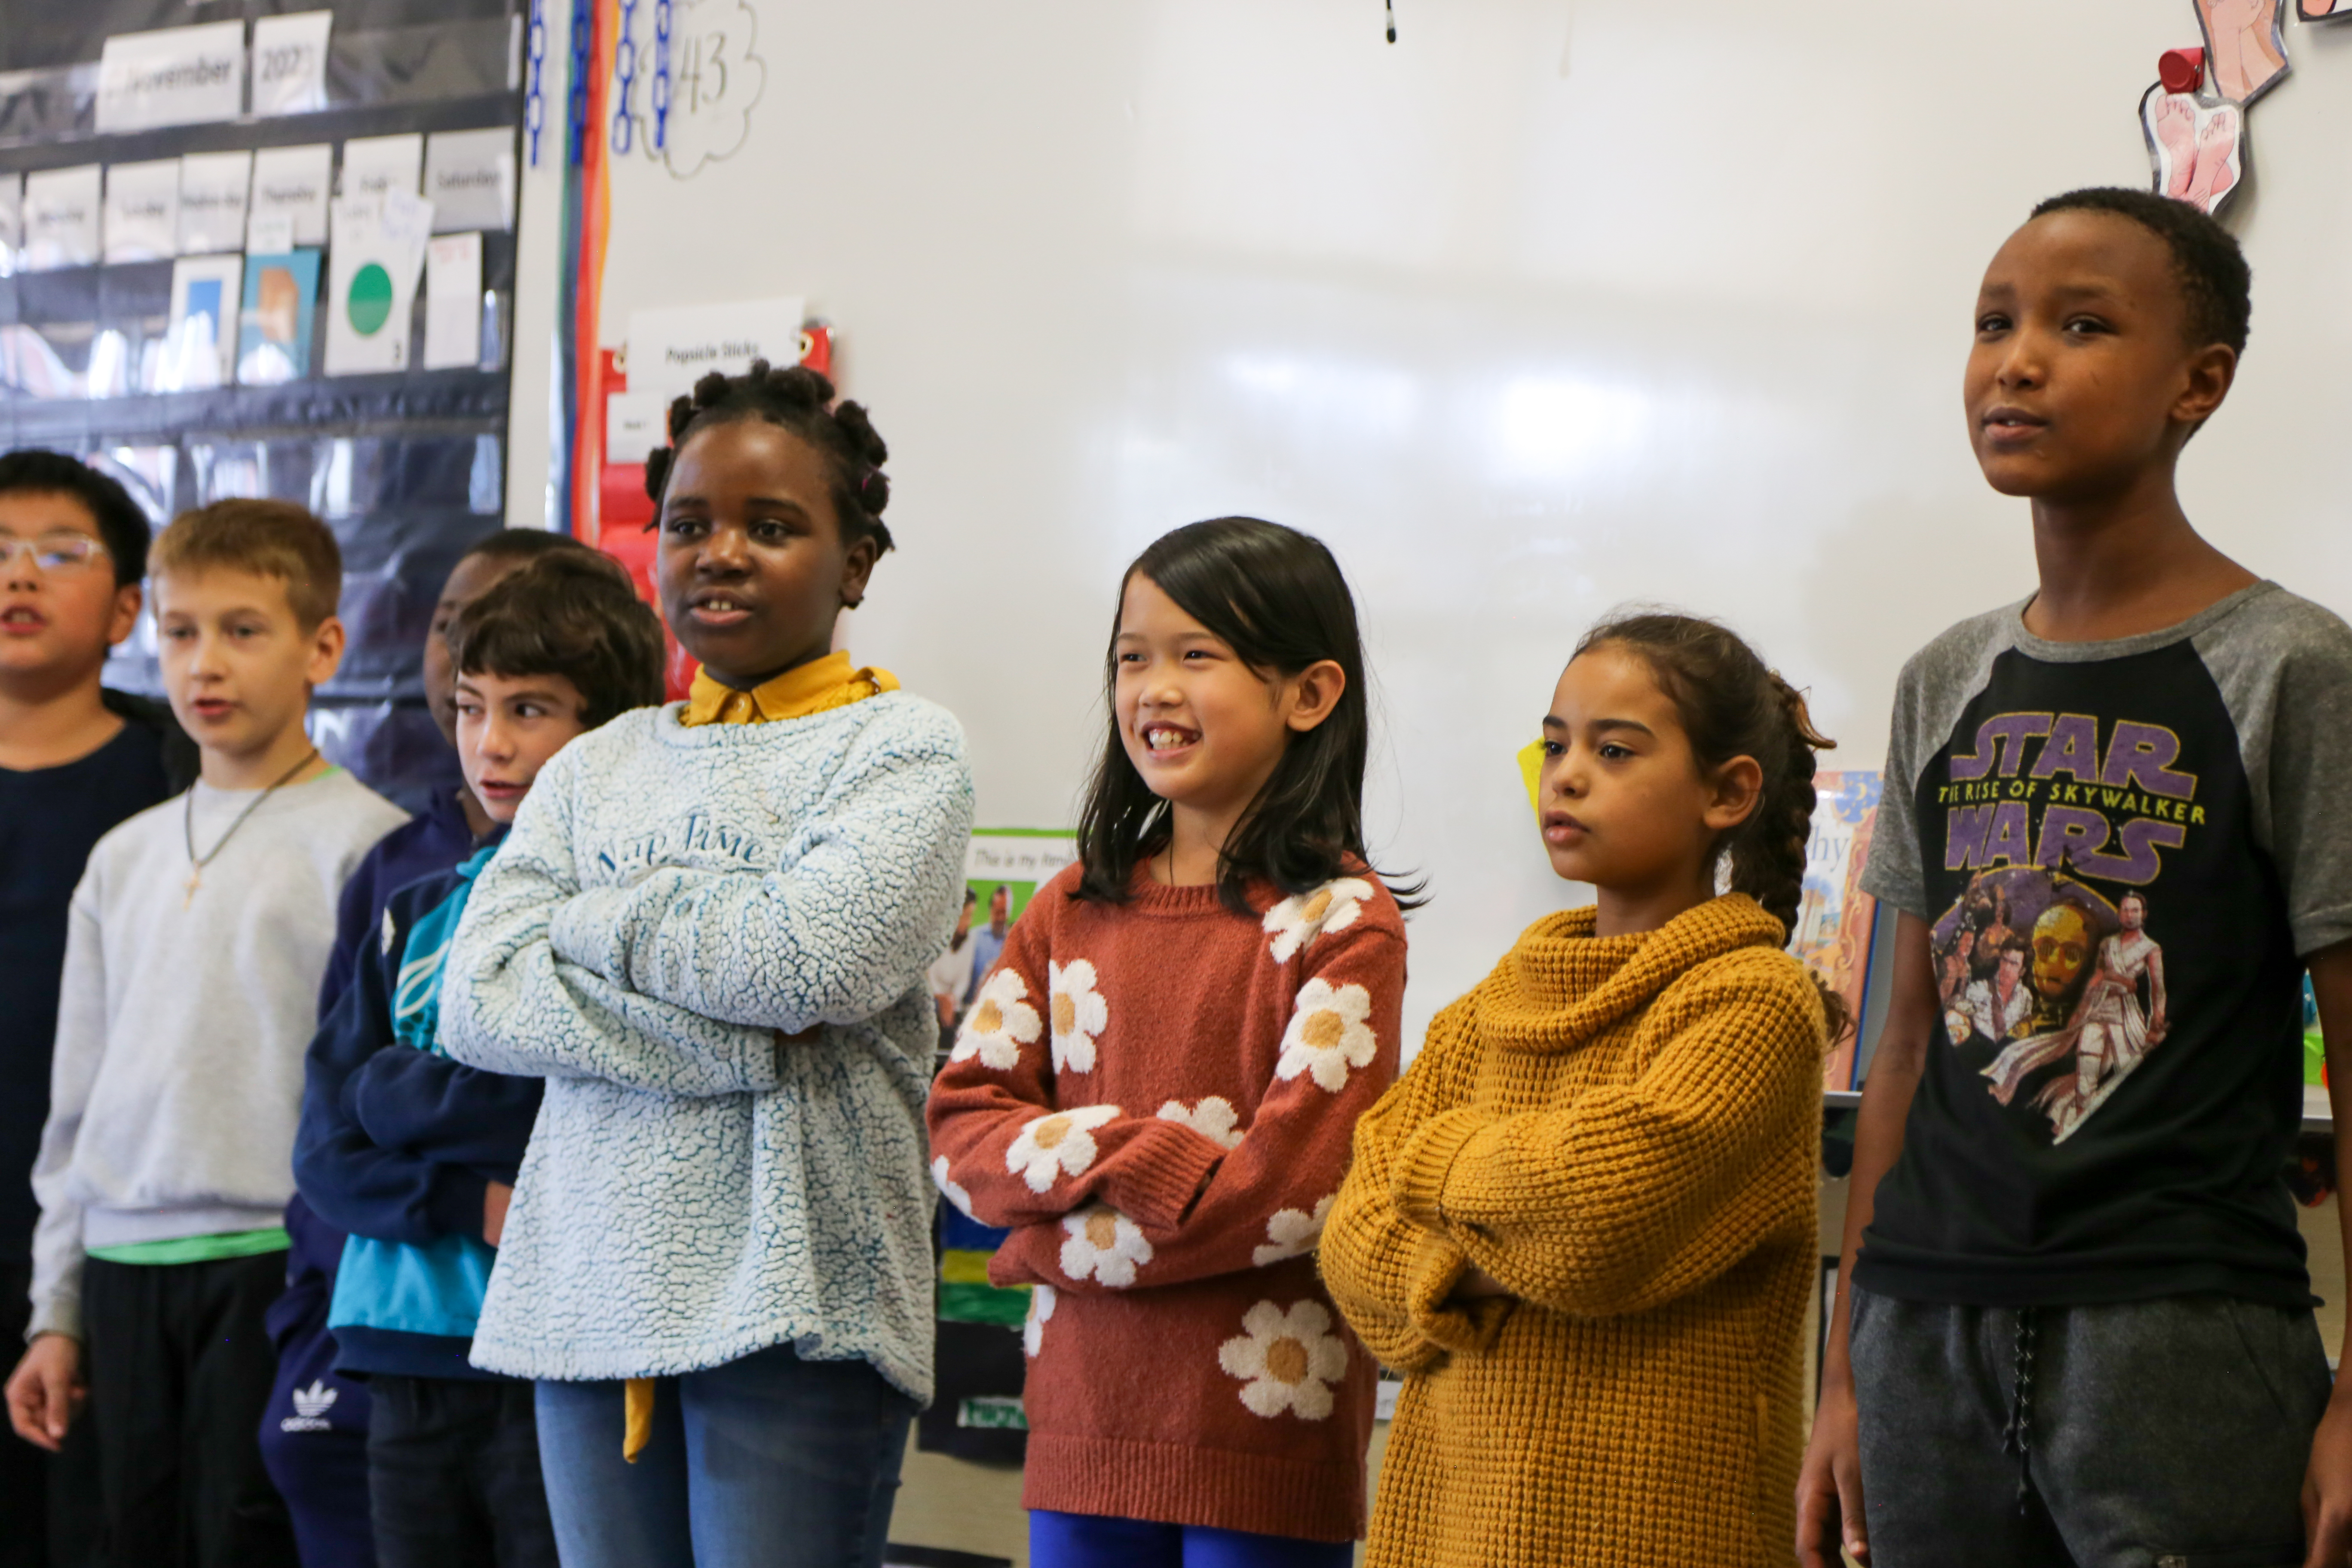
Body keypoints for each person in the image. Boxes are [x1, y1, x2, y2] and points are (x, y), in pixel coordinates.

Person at [1798, 188, 2352, 1568]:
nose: (2017, 359)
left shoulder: (2291, 669)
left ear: (2198, 383)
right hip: (1926, 1328)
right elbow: (1912, 1038)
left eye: (2081, 325)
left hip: (2179, 1336)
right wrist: (1850, 1371)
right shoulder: (1947, 676)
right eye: (1994, 323)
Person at [438, 361, 974, 1568]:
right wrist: (726, 1036)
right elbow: (478, 996)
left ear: (856, 566)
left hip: (798, 1304)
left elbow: (806, 968)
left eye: (771, 527)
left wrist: (592, 918)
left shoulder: (904, 749)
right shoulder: (595, 763)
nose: (720, 553)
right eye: (689, 526)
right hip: (585, 1295)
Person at [929, 517, 1412, 1568]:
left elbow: (1289, 1195)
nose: (1152, 687)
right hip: (1081, 1417)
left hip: (1261, 1430)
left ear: (1309, 693)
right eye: (1130, 658)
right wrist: (1135, 1153)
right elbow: (960, 1130)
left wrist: (1047, 1243)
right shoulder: (1070, 906)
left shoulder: (1342, 921)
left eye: (1196, 656)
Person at [1320, 612, 1834, 1568]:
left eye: (1615, 749)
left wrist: (1430, 1168)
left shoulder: (1755, 1002)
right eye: (1555, 744)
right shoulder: (1489, 1004)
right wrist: (1492, 1242)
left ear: (1728, 793)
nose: (1566, 773)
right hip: (1448, 1530)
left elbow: (1597, 1220)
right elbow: (1354, 1250)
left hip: (1658, 1533)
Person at [5, 499, 405, 1564]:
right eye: (180, 633)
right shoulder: (122, 856)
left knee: (250, 1543)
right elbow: (75, 1107)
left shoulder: (369, 848)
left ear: (323, 644)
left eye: (242, 630)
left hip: (277, 1266)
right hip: (122, 1268)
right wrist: (58, 1312)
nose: (204, 665)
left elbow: (374, 1103)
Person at [295, 552, 664, 1568]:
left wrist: (392, 1088)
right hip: (397, 1336)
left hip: (555, 1340)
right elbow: (327, 1147)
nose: (489, 744)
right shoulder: (414, 909)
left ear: (613, 730)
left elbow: (555, 1100)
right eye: (470, 707)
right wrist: (472, 1204)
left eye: (530, 711)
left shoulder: (622, 910)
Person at [0, 450, 194, 1567]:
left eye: (59, 553)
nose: (20, 575)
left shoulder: (180, 779)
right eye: (0, 552)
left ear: (127, 607)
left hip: (96, 1228)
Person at [928, 888, 980, 1045]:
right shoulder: (936, 934)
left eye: (971, 916)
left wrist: (952, 999)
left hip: (953, 1005)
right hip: (932, 1001)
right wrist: (941, 997)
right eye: (966, 916)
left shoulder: (971, 940)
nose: (969, 922)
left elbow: (964, 979)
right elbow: (930, 974)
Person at [962, 883, 1012, 1008]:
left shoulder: (1012, 942)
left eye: (1004, 912)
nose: (1001, 918)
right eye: (998, 912)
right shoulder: (974, 937)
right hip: (968, 1006)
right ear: (991, 910)